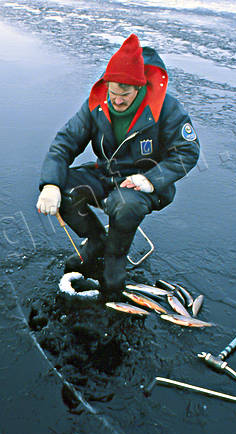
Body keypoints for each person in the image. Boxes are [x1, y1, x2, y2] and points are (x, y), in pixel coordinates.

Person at [36, 34, 200, 297]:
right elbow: (64, 143)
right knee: (62, 185)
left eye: (124, 95)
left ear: (140, 88)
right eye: (113, 92)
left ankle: (114, 259)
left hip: (146, 184)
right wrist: (51, 184)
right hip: (107, 176)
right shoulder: (97, 104)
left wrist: (151, 180)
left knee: (124, 204)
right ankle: (97, 241)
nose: (117, 100)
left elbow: (188, 151)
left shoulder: (166, 108)